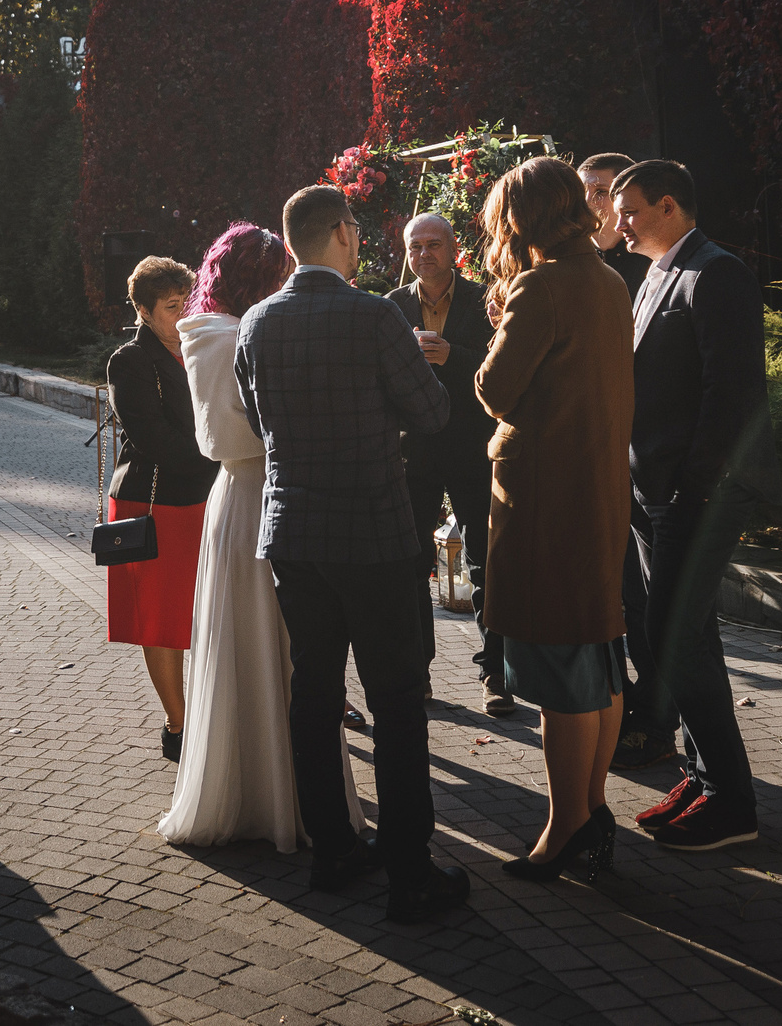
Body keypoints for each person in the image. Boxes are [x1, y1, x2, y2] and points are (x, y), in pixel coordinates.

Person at [235, 184, 470, 924]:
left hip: (294, 534)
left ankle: (333, 850)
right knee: (397, 700)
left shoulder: (256, 321)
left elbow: (254, 411)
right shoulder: (376, 317)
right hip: (372, 532)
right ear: (342, 233)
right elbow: (432, 414)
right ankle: (410, 874)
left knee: (314, 693)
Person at [160, 223, 363, 851]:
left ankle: (262, 786)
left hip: (240, 495)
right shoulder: (229, 336)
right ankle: (279, 796)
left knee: (255, 643)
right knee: (276, 645)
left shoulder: (207, 332)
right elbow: (233, 435)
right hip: (261, 494)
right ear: (262, 279)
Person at [470, 158, 635, 883]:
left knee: (563, 669)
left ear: (521, 219)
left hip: (545, 499)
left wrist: (495, 325)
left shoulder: (540, 286)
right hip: (597, 489)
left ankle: (568, 823)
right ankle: (592, 809)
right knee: (600, 654)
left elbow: (495, 388)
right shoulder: (606, 277)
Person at [613, 159, 782, 853]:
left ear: (670, 206)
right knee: (688, 634)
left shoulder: (719, 273)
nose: (618, 221)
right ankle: (703, 774)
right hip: (654, 490)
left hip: (698, 492)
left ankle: (732, 801)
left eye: (629, 209)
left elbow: (733, 390)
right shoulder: (656, 273)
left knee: (674, 635)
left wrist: (694, 486)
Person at [385, 213, 502, 712]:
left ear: (454, 249)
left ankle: (497, 673)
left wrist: (453, 354)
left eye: (434, 244)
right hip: (415, 451)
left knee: (487, 559)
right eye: (415, 247)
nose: (424, 254)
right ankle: (418, 674)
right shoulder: (392, 307)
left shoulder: (485, 299)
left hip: (474, 447)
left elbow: (504, 364)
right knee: (410, 564)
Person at [579, 150, 672, 768]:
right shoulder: (591, 268)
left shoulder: (645, 270)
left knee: (646, 599)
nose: (597, 206)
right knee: (620, 595)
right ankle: (639, 710)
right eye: (587, 193)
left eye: (607, 192)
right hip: (609, 458)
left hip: (646, 460)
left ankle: (656, 722)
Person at [106, 255, 219, 762]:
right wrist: (219, 455)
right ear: (145, 311)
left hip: (204, 497)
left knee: (202, 613)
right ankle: (178, 724)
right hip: (155, 503)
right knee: (162, 618)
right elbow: (149, 436)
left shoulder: (199, 346)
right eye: (173, 306)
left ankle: (206, 714)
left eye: (187, 301)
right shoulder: (130, 360)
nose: (184, 312)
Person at [577, 153, 649, 299]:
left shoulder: (653, 262)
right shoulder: (570, 260)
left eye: (601, 191)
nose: (587, 201)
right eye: (581, 191)